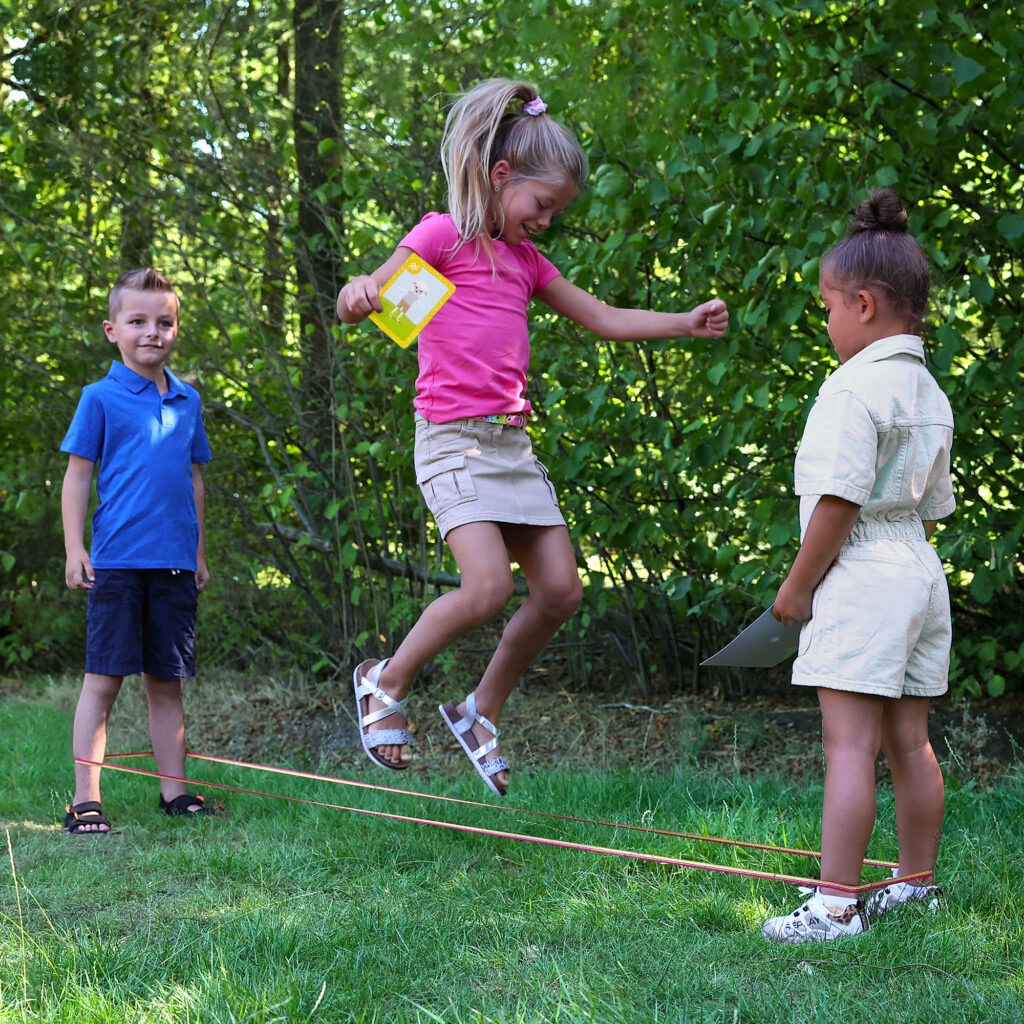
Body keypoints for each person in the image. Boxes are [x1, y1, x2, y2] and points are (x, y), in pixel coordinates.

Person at [338, 78, 728, 796]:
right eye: (541, 205)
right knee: (486, 586)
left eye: (556, 212)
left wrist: (683, 322)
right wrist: (361, 289)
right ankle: (384, 681)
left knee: (559, 591)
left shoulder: (526, 263)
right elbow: (364, 302)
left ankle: (478, 709)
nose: (546, 220)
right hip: (452, 440)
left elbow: (604, 317)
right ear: (500, 176)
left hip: (511, 446)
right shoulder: (440, 237)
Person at [762, 188, 954, 942]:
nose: (829, 322)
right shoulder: (928, 389)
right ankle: (914, 884)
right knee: (911, 741)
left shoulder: (850, 389)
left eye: (830, 307)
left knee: (849, 745)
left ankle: (836, 904)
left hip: (864, 569)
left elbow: (838, 502)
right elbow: (933, 503)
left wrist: (797, 586)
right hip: (919, 569)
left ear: (865, 305)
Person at [60, 268, 219, 834]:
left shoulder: (187, 400)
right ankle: (85, 800)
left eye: (164, 322)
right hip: (118, 564)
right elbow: (78, 476)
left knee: (166, 683)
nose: (152, 332)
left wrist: (199, 552)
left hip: (175, 564)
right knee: (103, 681)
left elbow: (194, 481)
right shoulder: (99, 399)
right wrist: (75, 547)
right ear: (112, 330)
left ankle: (175, 794)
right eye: (138, 321)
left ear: (176, 329)